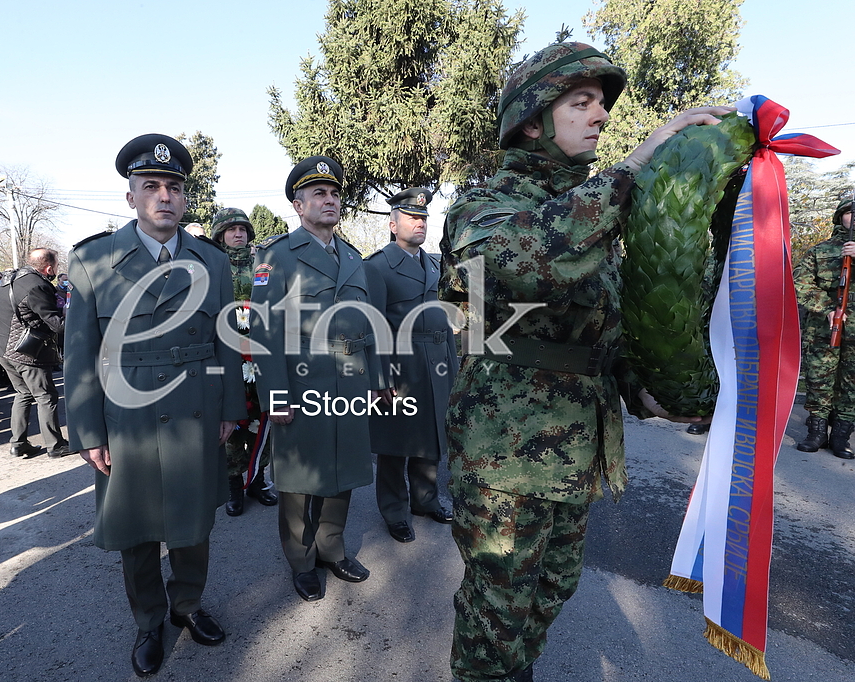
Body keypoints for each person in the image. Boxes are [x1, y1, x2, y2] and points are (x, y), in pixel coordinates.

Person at [437, 42, 725, 682]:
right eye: (581, 102)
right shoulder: (483, 206)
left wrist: (632, 380)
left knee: (551, 589)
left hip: (574, 446)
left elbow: (601, 315)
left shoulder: (593, 209)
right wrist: (640, 161)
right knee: (497, 613)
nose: (599, 116)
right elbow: (526, 261)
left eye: (601, 104)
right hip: (507, 453)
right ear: (533, 121)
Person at [65, 134, 246, 678]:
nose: (163, 196)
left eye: (173, 187)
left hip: (195, 409)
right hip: (128, 418)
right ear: (130, 197)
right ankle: (149, 622)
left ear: (186, 198)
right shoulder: (93, 259)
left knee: (194, 524)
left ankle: (187, 606)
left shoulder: (211, 261)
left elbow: (225, 342)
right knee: (137, 529)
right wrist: (88, 431)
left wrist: (230, 408)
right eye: (151, 186)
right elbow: (79, 355)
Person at [249, 156, 386, 602]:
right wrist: (275, 395)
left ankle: (332, 547)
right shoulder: (277, 256)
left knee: (344, 469)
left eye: (334, 194)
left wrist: (378, 380)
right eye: (318, 194)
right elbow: (266, 332)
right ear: (298, 204)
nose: (330, 200)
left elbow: (369, 326)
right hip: (302, 382)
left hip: (351, 381)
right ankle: (302, 560)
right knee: (296, 480)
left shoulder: (352, 256)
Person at [364, 188, 457, 544]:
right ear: (393, 224)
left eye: (423, 219)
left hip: (435, 365)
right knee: (395, 444)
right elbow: (372, 327)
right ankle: (394, 510)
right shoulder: (377, 266)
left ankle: (425, 499)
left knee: (431, 437)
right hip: (400, 366)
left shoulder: (434, 264)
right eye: (412, 218)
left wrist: (453, 364)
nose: (420, 223)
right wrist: (380, 375)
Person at [209, 207, 278, 516]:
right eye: (231, 229)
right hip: (228, 360)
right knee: (234, 424)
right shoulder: (212, 267)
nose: (238, 233)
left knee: (260, 422)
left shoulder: (263, 267)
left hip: (261, 359)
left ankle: (259, 481)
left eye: (242, 229)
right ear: (220, 235)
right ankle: (234, 486)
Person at [0, 248, 72, 459]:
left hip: (1, 348)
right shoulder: (38, 285)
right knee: (46, 396)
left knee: (23, 393)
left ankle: (18, 443)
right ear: (49, 267)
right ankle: (55, 445)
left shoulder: (10, 278)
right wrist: (70, 310)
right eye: (56, 266)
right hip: (25, 352)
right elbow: (57, 325)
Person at [794, 198, 855, 459]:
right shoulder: (820, 251)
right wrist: (828, 308)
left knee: (851, 384)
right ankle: (816, 433)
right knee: (819, 380)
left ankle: (841, 437)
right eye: (850, 213)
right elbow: (801, 283)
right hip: (823, 329)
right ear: (840, 217)